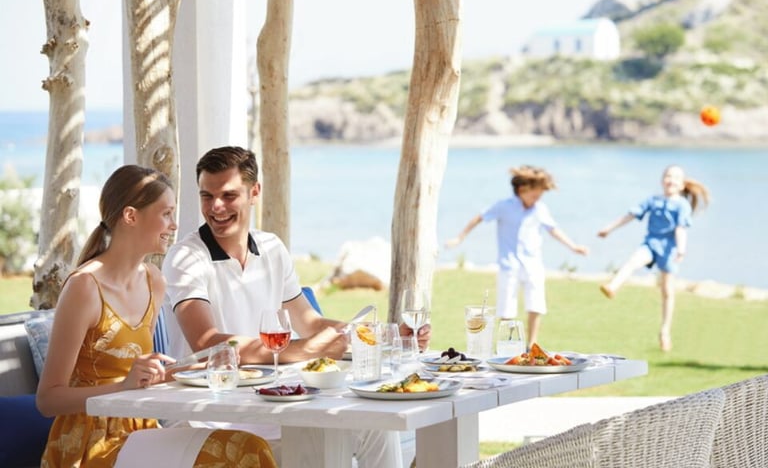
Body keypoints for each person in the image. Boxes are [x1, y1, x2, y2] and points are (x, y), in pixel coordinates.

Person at [162, 146, 429, 467]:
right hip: (210, 414)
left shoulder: (271, 248)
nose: (216, 207)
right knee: (319, 450)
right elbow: (207, 344)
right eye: (207, 196)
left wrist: (386, 337)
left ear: (254, 192)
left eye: (229, 195)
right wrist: (307, 349)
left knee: (376, 427)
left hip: (274, 406)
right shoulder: (186, 257)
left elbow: (311, 324)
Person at [36, 165, 276, 467]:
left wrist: (196, 368)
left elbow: (141, 377)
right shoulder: (84, 287)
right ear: (130, 216)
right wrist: (123, 387)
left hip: (141, 431)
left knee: (248, 446)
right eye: (166, 214)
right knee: (236, 453)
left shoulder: (153, 281)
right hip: (90, 444)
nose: (174, 225)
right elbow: (48, 400)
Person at [445, 165, 588, 347]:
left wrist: (574, 247)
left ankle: (532, 344)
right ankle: (507, 344)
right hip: (509, 265)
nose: (537, 199)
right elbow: (479, 218)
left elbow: (553, 230)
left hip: (533, 264)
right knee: (506, 309)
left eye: (540, 196)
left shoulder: (540, 209)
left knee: (536, 305)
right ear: (522, 189)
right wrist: (459, 238)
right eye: (535, 195)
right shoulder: (504, 206)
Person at [597, 164, 710, 351]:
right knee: (633, 261)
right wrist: (609, 228)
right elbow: (630, 215)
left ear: (682, 185)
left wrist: (681, 249)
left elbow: (681, 229)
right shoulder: (653, 200)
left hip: (669, 251)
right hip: (650, 245)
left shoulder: (682, 205)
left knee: (667, 292)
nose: (671, 180)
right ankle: (613, 286)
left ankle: (665, 332)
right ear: (662, 180)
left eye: (676, 177)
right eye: (668, 176)